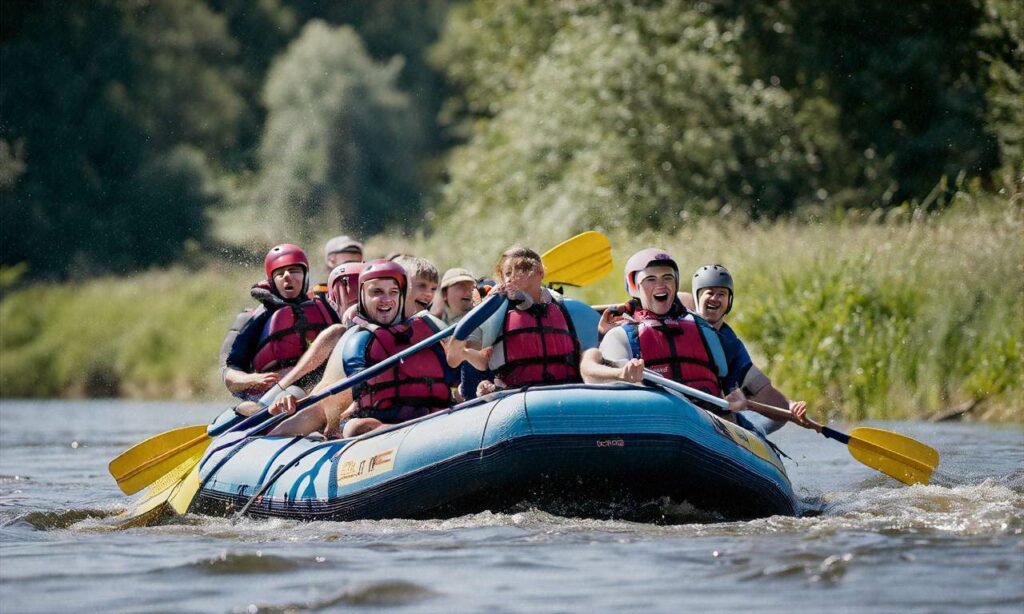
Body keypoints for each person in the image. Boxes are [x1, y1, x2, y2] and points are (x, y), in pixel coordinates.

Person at [269, 260, 458, 438]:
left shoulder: (431, 328)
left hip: (437, 421)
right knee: (356, 426)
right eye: (376, 292)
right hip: (384, 430)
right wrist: (277, 428)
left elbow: (460, 375)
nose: (386, 300)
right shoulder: (355, 341)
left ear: (402, 295)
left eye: (393, 292)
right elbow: (322, 407)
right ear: (363, 297)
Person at [579, 249, 747, 417]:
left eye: (667, 278)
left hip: (707, 424)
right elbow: (591, 376)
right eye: (651, 279)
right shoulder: (620, 336)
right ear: (635, 287)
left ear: (675, 284)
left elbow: (728, 390)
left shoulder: (704, 331)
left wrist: (735, 400)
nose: (661, 285)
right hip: (657, 423)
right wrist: (619, 373)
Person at [446, 246, 599, 396]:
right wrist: (464, 352)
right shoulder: (496, 311)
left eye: (523, 268)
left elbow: (588, 349)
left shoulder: (563, 308)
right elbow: (478, 360)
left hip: (565, 390)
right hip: (517, 394)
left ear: (541, 272)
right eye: (508, 273)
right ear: (502, 280)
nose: (514, 275)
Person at [684, 264, 810, 433]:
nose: (715, 298)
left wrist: (792, 408)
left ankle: (754, 438)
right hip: (683, 409)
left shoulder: (730, 344)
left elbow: (761, 388)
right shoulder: (678, 325)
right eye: (709, 292)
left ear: (729, 301)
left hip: (716, 417)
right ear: (697, 297)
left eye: (721, 294)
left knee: (779, 418)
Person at [222, 244, 339, 402]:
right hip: (276, 394)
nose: (287, 276)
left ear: (305, 276)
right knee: (252, 406)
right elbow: (228, 371)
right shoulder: (252, 317)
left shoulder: (326, 307)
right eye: (280, 274)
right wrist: (252, 380)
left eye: (294, 271)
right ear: (271, 281)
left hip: (325, 385)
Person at [309, 235, 364, 301]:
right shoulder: (317, 295)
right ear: (331, 260)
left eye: (358, 263)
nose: (354, 254)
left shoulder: (367, 291)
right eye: (348, 250)